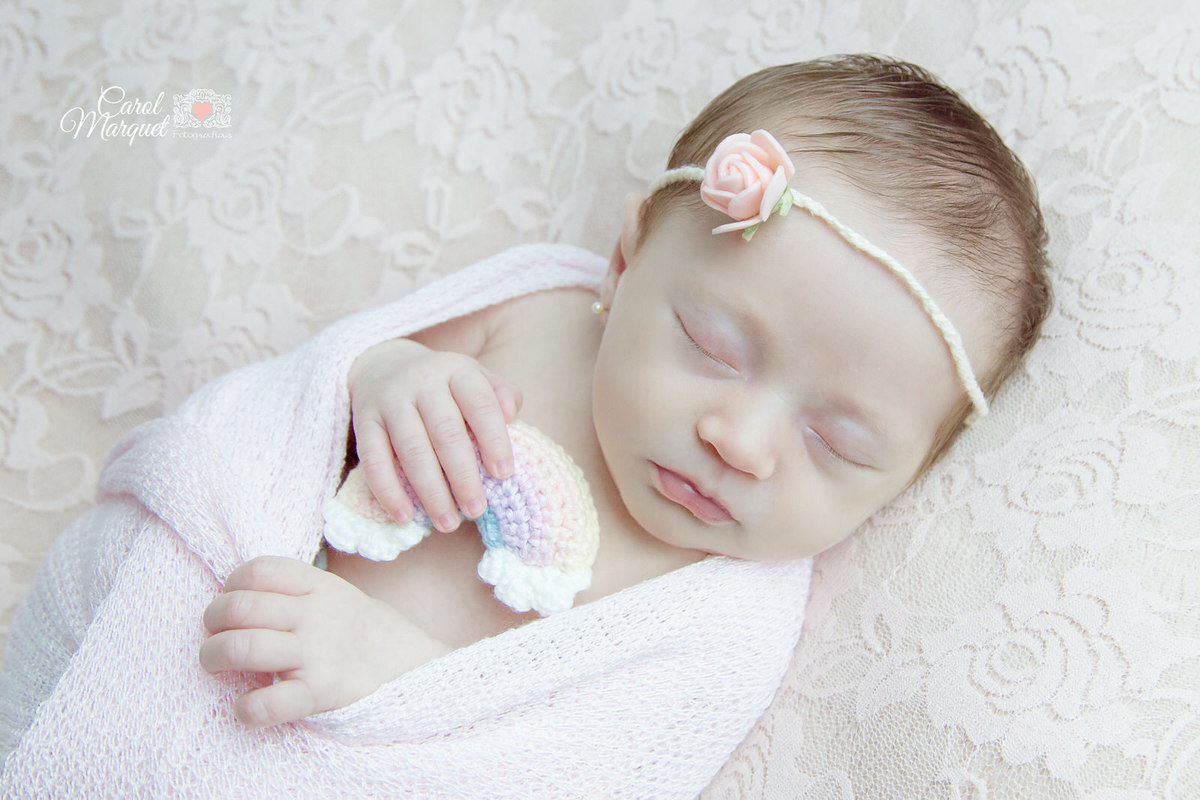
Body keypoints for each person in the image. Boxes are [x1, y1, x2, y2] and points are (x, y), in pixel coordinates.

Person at [195, 54, 1052, 730]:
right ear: (626, 262)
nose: (740, 443)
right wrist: (388, 379)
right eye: (713, 347)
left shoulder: (724, 619)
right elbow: (316, 391)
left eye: (840, 445)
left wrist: (399, 681)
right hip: (211, 629)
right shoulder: (539, 319)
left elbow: (584, 760)